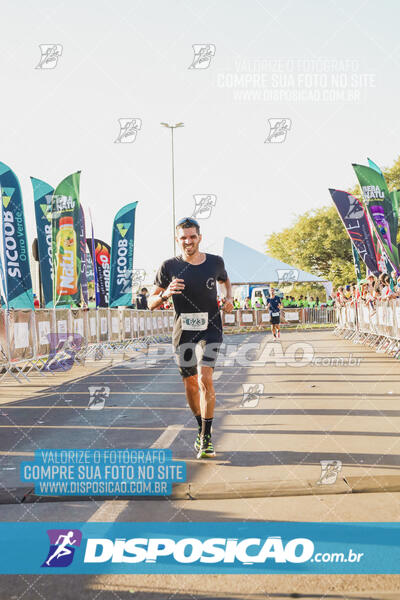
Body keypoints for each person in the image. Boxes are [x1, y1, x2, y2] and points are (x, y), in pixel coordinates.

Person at [149, 217, 233, 459]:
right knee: (190, 382)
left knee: (205, 377)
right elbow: (150, 302)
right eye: (183, 237)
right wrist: (165, 294)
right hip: (183, 329)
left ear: (200, 237)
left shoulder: (215, 262)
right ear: (178, 240)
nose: (188, 241)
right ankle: (200, 426)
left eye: (192, 236)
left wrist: (228, 298)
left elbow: (225, 280)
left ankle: (206, 437)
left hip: (211, 327)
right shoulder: (168, 267)